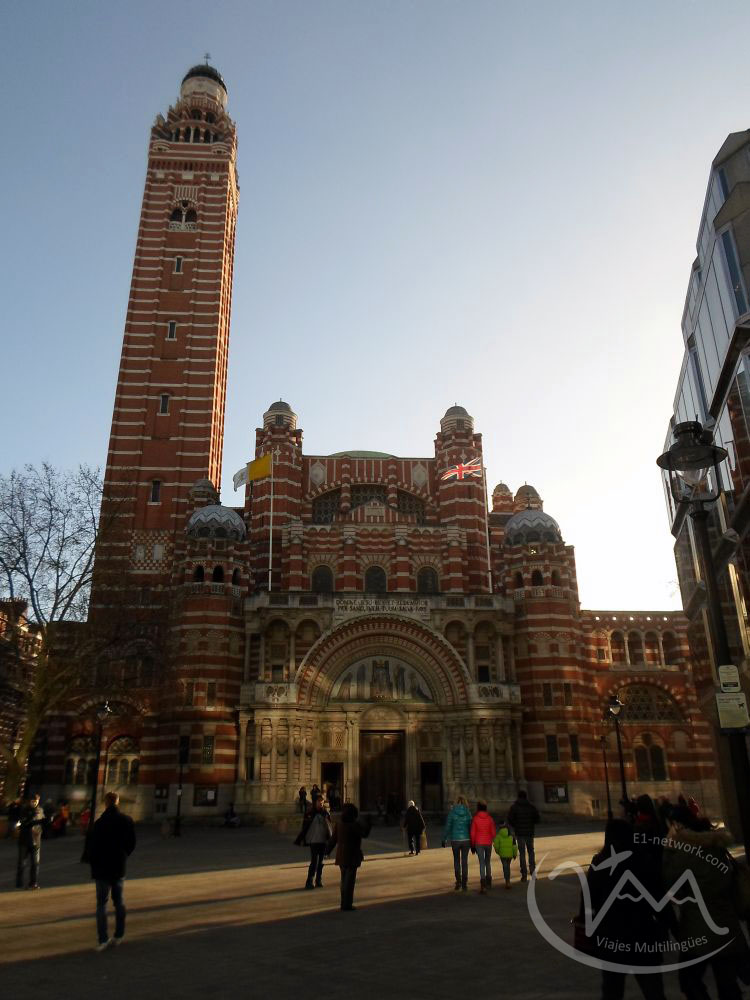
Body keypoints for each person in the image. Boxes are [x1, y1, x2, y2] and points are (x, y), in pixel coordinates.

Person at [663, 806, 749, 1000]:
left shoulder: (685, 852)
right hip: (726, 924)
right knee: (727, 983)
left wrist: (668, 847)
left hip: (698, 927)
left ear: (677, 826)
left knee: (689, 980)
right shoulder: (716, 846)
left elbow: (668, 878)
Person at [584, 819, 667, 1000]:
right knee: (653, 991)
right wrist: (669, 930)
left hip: (612, 936)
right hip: (643, 934)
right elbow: (660, 900)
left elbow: (588, 900)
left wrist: (590, 932)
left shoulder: (600, 863)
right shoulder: (644, 860)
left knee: (612, 991)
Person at [89, 791, 136, 952]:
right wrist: (123, 855)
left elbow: (92, 847)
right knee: (119, 902)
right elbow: (132, 843)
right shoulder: (126, 820)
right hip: (118, 867)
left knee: (101, 904)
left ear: (106, 803)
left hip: (101, 869)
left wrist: (94, 865)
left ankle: (103, 939)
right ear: (117, 802)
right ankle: (119, 935)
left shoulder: (99, 823)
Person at [326, 802, 371, 911]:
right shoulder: (353, 825)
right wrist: (368, 823)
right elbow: (364, 834)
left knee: (344, 880)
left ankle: (343, 902)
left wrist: (327, 851)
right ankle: (347, 904)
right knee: (349, 882)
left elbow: (333, 839)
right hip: (352, 855)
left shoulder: (339, 824)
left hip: (341, 855)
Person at [295, 796, 332, 888]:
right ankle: (309, 881)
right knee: (314, 861)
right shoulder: (310, 813)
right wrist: (303, 838)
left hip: (323, 840)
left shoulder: (325, 813)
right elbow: (305, 826)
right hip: (314, 840)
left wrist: (330, 839)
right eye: (319, 802)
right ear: (315, 803)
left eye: (322, 802)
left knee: (321, 862)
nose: (321, 804)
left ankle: (318, 880)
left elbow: (329, 827)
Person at [507, 789, 540, 882]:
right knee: (531, 852)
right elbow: (537, 819)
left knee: (522, 853)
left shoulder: (514, 807)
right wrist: (531, 823)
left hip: (520, 833)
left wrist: (516, 826)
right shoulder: (531, 807)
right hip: (529, 832)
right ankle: (533, 872)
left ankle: (524, 875)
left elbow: (510, 819)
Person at [442, 794, 472, 891]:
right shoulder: (467, 812)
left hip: (455, 840)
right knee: (464, 862)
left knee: (456, 861)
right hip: (466, 840)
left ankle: (458, 881)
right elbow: (471, 826)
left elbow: (448, 827)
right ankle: (464, 883)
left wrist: (444, 839)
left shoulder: (452, 812)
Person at [16, 794, 44, 889]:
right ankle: (19, 882)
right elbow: (21, 823)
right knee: (21, 863)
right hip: (24, 840)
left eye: (37, 800)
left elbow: (42, 822)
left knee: (35, 863)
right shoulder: (24, 810)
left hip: (36, 840)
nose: (35, 802)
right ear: (29, 801)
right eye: (33, 800)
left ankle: (34, 883)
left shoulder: (40, 810)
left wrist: (41, 828)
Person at [470, 799, 496, 893]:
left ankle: (483, 884)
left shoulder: (475, 819)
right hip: (488, 842)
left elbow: (472, 834)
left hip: (479, 843)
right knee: (488, 862)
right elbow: (493, 833)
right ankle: (489, 881)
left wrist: (472, 845)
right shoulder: (490, 819)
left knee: (482, 863)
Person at [492, 817, 517, 889]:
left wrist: (498, 852)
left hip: (503, 854)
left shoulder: (498, 836)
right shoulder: (511, 835)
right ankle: (508, 881)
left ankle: (507, 881)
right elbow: (514, 846)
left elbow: (496, 846)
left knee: (505, 867)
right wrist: (514, 854)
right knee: (508, 867)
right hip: (510, 854)